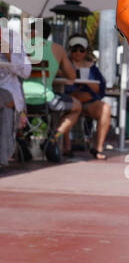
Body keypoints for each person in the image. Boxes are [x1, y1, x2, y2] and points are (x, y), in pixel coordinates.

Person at [21, 23, 80, 163]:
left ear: (32, 32)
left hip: (20, 100)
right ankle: (53, 139)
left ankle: (21, 138)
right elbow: (72, 76)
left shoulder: (21, 46)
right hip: (44, 99)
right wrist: (55, 68)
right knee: (77, 106)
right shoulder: (57, 49)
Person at [65, 35, 111, 159]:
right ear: (70, 50)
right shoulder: (64, 64)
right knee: (69, 105)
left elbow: (101, 88)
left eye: (81, 50)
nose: (78, 52)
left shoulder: (92, 68)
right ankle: (66, 146)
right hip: (71, 100)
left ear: (86, 51)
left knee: (105, 108)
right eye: (74, 49)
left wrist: (88, 85)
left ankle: (98, 148)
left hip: (88, 101)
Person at [0, 18, 32, 166]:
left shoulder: (12, 39)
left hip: (7, 91)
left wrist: (8, 54)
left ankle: (2, 156)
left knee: (5, 101)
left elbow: (26, 71)